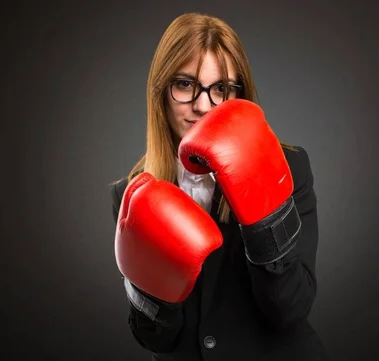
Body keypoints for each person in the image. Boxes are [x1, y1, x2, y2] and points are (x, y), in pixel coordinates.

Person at [109, 12, 329, 361]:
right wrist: (152, 296)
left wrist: (264, 218)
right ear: (160, 92)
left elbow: (290, 309)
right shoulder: (133, 193)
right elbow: (159, 341)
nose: (202, 105)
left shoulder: (288, 167)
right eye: (185, 84)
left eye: (221, 88)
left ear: (240, 94)